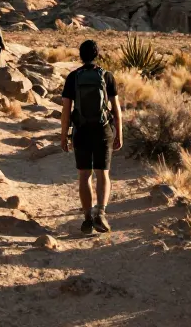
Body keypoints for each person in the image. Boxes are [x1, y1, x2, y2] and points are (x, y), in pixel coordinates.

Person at [60, 39, 122, 234]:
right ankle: (101, 213)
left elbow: (66, 110)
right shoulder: (106, 76)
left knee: (84, 175)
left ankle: (87, 218)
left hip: (81, 130)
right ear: (97, 55)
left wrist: (64, 135)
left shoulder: (73, 77)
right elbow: (116, 109)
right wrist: (119, 133)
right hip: (103, 130)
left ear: (81, 55)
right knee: (103, 173)